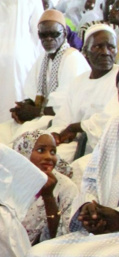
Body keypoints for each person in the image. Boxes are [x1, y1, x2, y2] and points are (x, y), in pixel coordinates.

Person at [7, 114, 119, 257]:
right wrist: (90, 209)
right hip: (104, 231)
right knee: (39, 256)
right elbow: (91, 180)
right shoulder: (114, 125)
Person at [0, 9, 91, 144]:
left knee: (14, 142)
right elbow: (34, 92)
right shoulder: (44, 57)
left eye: (54, 34)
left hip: (60, 122)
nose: (48, 39)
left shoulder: (72, 59)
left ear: (65, 33)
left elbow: (65, 107)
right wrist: (24, 107)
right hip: (42, 116)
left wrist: (35, 112)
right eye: (43, 35)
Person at [49, 25, 119, 162]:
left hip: (104, 151)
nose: (105, 52)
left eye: (111, 47)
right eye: (98, 47)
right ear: (85, 51)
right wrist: (56, 134)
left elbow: (112, 120)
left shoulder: (117, 78)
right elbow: (64, 117)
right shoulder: (78, 82)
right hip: (73, 144)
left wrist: (76, 127)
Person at [11, 131, 78, 244]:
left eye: (53, 152)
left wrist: (48, 197)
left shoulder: (67, 188)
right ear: (23, 153)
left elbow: (63, 238)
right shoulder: (9, 181)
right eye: (41, 150)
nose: (49, 157)